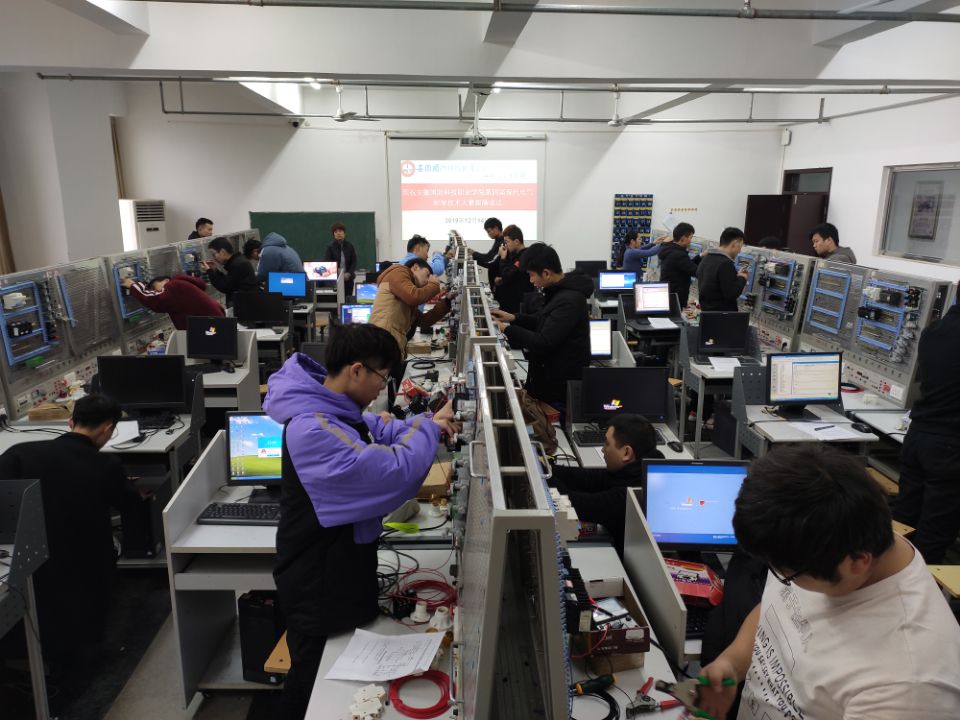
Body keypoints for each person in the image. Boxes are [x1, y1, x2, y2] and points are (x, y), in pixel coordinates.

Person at [264, 324, 460, 719]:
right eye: (382, 379)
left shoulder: (335, 410)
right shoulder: (312, 428)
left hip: (341, 569)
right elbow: (392, 473)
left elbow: (378, 428)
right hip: (319, 584)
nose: (381, 389)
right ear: (356, 370)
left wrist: (429, 423)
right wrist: (426, 429)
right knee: (312, 686)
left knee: (335, 678)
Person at [698, 444, 960, 720]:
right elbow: (777, 611)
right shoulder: (832, 538)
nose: (780, 579)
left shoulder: (909, 687)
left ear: (857, 563)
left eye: (787, 575)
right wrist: (732, 663)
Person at [0, 395, 145, 672]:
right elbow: (129, 505)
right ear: (108, 428)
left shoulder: (19, 453)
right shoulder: (105, 465)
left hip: (27, 556)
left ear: (70, 422)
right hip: (85, 559)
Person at [892, 300, 960, 564]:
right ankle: (921, 583)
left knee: (904, 519)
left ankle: (891, 573)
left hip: (918, 436)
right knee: (934, 531)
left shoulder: (933, 331)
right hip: (949, 447)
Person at [491, 243, 593, 413]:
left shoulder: (569, 300)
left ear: (546, 273)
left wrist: (506, 329)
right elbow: (543, 318)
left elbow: (543, 341)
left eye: (532, 275)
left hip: (558, 389)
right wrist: (513, 317)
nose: (531, 281)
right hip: (549, 381)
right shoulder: (558, 292)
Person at [549, 413, 662, 555]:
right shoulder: (638, 471)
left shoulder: (630, 495)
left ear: (626, 453)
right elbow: (587, 478)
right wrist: (547, 467)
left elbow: (576, 503)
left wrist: (542, 473)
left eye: (607, 443)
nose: (603, 449)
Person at [369, 257, 450, 373]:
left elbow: (423, 321)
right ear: (415, 267)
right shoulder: (399, 271)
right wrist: (433, 285)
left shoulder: (405, 293)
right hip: (383, 342)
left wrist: (447, 302)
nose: (427, 280)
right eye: (427, 275)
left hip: (391, 343)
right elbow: (414, 297)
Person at [122, 273, 224, 330]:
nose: (155, 291)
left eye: (155, 288)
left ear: (166, 280)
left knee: (212, 357)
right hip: (213, 325)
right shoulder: (182, 285)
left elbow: (155, 300)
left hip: (210, 328)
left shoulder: (173, 286)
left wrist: (133, 286)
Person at [697, 227, 749, 312]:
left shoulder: (706, 258)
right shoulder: (725, 263)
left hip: (707, 312)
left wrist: (735, 276)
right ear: (734, 243)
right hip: (721, 316)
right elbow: (732, 294)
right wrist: (742, 278)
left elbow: (715, 284)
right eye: (740, 247)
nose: (739, 251)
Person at [202, 236, 259, 306]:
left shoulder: (237, 264)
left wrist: (209, 271)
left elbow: (225, 287)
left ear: (222, 252)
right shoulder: (238, 261)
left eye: (214, 254)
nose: (214, 258)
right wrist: (215, 270)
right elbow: (228, 282)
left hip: (245, 305)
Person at [657, 222, 701, 308]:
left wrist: (700, 256)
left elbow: (686, 266)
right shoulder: (678, 255)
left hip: (668, 296)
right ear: (683, 238)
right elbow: (696, 271)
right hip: (674, 300)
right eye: (690, 237)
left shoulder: (671, 250)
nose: (691, 241)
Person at [493, 224, 535, 314]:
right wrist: (502, 279)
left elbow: (508, 275)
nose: (505, 245)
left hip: (517, 304)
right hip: (510, 301)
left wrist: (503, 258)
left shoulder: (524, 256)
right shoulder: (514, 254)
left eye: (507, 242)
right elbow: (512, 274)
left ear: (516, 241)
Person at [324, 223, 358, 296]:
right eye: (336, 232)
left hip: (348, 279)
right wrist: (340, 274)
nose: (338, 233)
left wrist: (348, 274)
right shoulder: (330, 247)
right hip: (335, 279)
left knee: (348, 298)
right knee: (337, 299)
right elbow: (328, 263)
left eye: (340, 231)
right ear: (333, 234)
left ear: (344, 233)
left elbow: (354, 262)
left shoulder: (350, 246)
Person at [471, 217, 504, 286]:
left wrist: (473, 256)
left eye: (489, 231)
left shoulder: (502, 243)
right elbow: (489, 256)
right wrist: (473, 253)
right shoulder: (498, 240)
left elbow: (490, 263)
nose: (488, 234)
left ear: (496, 228)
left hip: (498, 282)